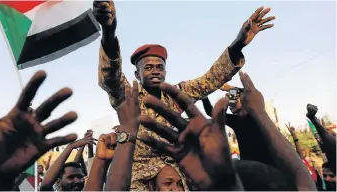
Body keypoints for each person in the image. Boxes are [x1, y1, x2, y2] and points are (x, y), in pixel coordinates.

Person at [93, 0, 275, 189]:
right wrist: (108, 32)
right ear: (137, 75)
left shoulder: (177, 94)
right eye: (148, 67)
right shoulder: (128, 97)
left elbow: (211, 79)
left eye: (160, 67)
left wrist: (238, 45)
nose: (155, 71)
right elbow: (110, 76)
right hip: (138, 180)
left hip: (176, 178)